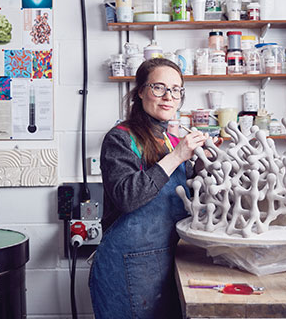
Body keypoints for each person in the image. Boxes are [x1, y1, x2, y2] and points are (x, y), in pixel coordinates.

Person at [89, 58, 209, 319]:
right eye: (159, 87)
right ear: (140, 91)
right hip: (131, 263)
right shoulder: (120, 138)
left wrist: (202, 163)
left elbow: (187, 195)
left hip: (170, 257)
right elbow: (127, 198)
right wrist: (177, 156)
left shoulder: (172, 140)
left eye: (176, 90)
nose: (169, 96)